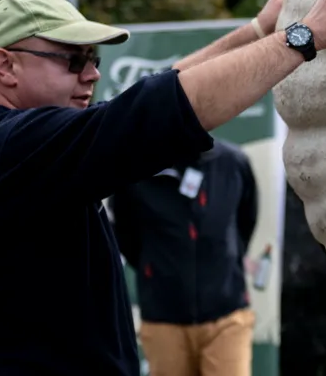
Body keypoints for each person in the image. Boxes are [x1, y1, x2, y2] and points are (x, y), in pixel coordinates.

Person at [0, 0, 326, 375]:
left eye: (93, 59)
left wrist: (256, 32)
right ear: (5, 66)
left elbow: (144, 99)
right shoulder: (5, 146)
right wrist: (303, 37)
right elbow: (155, 108)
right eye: (72, 59)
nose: (91, 73)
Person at [109, 137, 260, 376]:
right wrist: (156, 269)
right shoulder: (136, 169)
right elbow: (125, 234)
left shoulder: (233, 162)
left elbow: (245, 221)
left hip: (227, 314)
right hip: (163, 318)